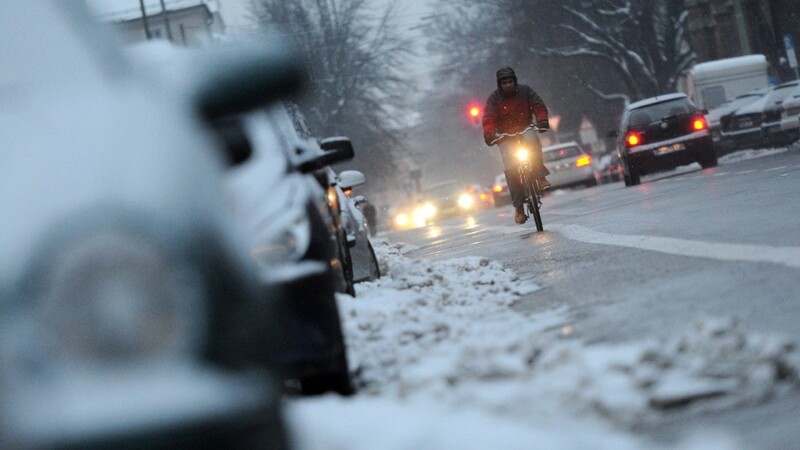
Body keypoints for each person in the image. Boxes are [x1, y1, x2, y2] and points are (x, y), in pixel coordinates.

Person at [482, 66, 551, 225]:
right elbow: (488, 118)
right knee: (511, 170)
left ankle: (540, 177)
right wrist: (489, 134)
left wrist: (542, 121)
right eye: (504, 83)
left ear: (515, 81)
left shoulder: (526, 91)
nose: (507, 85)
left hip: (525, 128)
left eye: (510, 81)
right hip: (505, 136)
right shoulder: (493, 99)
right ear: (500, 84)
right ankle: (519, 207)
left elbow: (538, 106)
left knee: (533, 142)